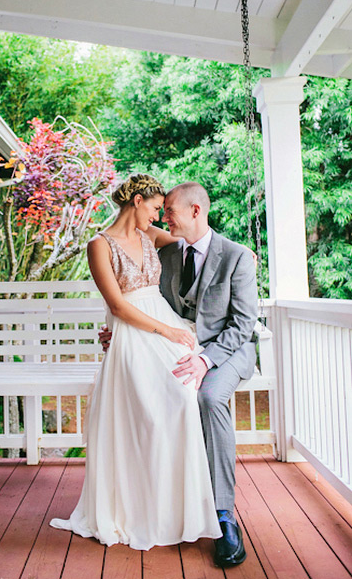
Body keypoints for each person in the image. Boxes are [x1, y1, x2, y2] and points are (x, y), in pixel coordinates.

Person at [50, 174, 221, 551]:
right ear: (137, 201)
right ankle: (137, 511)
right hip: (133, 332)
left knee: (181, 399)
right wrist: (166, 331)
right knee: (144, 416)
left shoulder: (151, 237)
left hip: (163, 325)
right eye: (156, 208)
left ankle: (177, 510)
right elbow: (117, 305)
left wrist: (240, 252)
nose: (160, 217)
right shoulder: (100, 245)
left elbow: (198, 239)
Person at [102, 181, 258, 567]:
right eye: (162, 209)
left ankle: (223, 515)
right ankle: (169, 501)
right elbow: (142, 303)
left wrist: (206, 360)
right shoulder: (167, 252)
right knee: (160, 395)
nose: (164, 216)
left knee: (205, 397)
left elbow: (242, 325)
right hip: (176, 346)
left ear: (195, 211)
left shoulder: (237, 256)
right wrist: (118, 333)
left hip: (227, 351)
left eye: (169, 210)